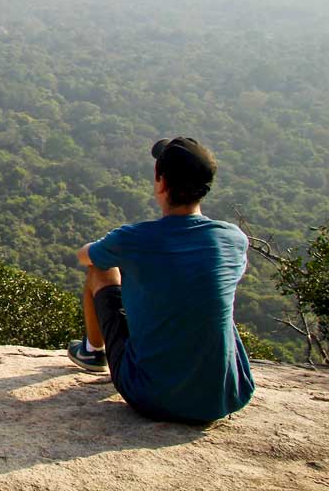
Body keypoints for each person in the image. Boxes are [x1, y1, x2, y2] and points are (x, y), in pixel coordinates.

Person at [68, 136, 255, 423]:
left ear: (161, 182)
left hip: (153, 398)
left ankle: (93, 352)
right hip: (224, 397)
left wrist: (118, 251)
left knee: (100, 269)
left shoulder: (133, 238)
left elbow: (84, 256)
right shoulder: (233, 239)